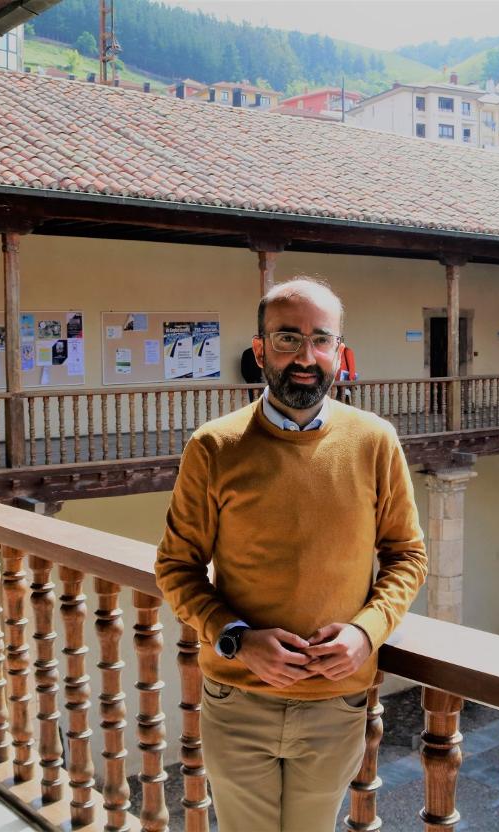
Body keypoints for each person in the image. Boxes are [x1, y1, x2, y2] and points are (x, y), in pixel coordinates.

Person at [155, 277, 427, 832]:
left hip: (335, 704)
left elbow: (407, 556)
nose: (306, 356)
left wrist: (366, 632)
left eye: (321, 340)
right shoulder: (215, 447)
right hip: (237, 701)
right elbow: (176, 566)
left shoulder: (376, 442)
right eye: (288, 339)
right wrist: (236, 637)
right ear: (260, 351)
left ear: (338, 352)